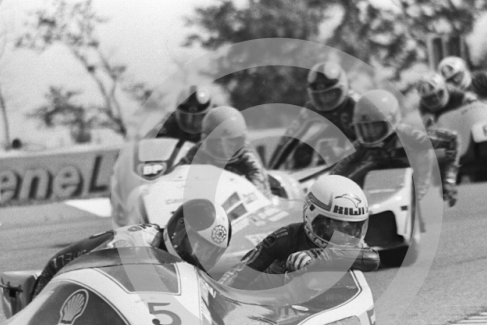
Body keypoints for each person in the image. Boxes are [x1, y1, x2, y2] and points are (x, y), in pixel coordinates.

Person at [32, 199, 231, 297]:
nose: (200, 258)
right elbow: (90, 277)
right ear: (179, 230)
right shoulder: (135, 243)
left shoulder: (180, 265)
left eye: (209, 253)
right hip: (59, 277)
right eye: (197, 246)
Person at [219, 175, 379, 290]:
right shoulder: (284, 237)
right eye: (336, 226)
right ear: (312, 215)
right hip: (275, 307)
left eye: (353, 228)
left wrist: (316, 256)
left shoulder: (356, 248)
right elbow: (240, 272)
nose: (345, 235)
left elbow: (373, 259)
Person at [332, 89, 460, 207]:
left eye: (375, 127)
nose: (369, 133)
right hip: (380, 175)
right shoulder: (361, 144)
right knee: (345, 185)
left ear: (391, 121)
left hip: (417, 177)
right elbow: (339, 170)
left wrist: (448, 180)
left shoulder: (411, 135)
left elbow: (452, 139)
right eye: (364, 128)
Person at [271, 62, 360, 169]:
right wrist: (271, 169)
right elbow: (289, 138)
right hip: (336, 132)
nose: (325, 100)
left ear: (343, 87)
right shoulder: (311, 107)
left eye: (330, 94)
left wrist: (346, 154)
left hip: (361, 139)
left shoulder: (357, 104)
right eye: (319, 95)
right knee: (303, 152)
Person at [179, 106, 271, 196]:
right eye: (216, 142)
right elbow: (177, 178)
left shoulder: (249, 158)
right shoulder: (196, 153)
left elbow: (261, 194)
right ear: (205, 139)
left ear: (242, 140)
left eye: (231, 142)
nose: (223, 148)